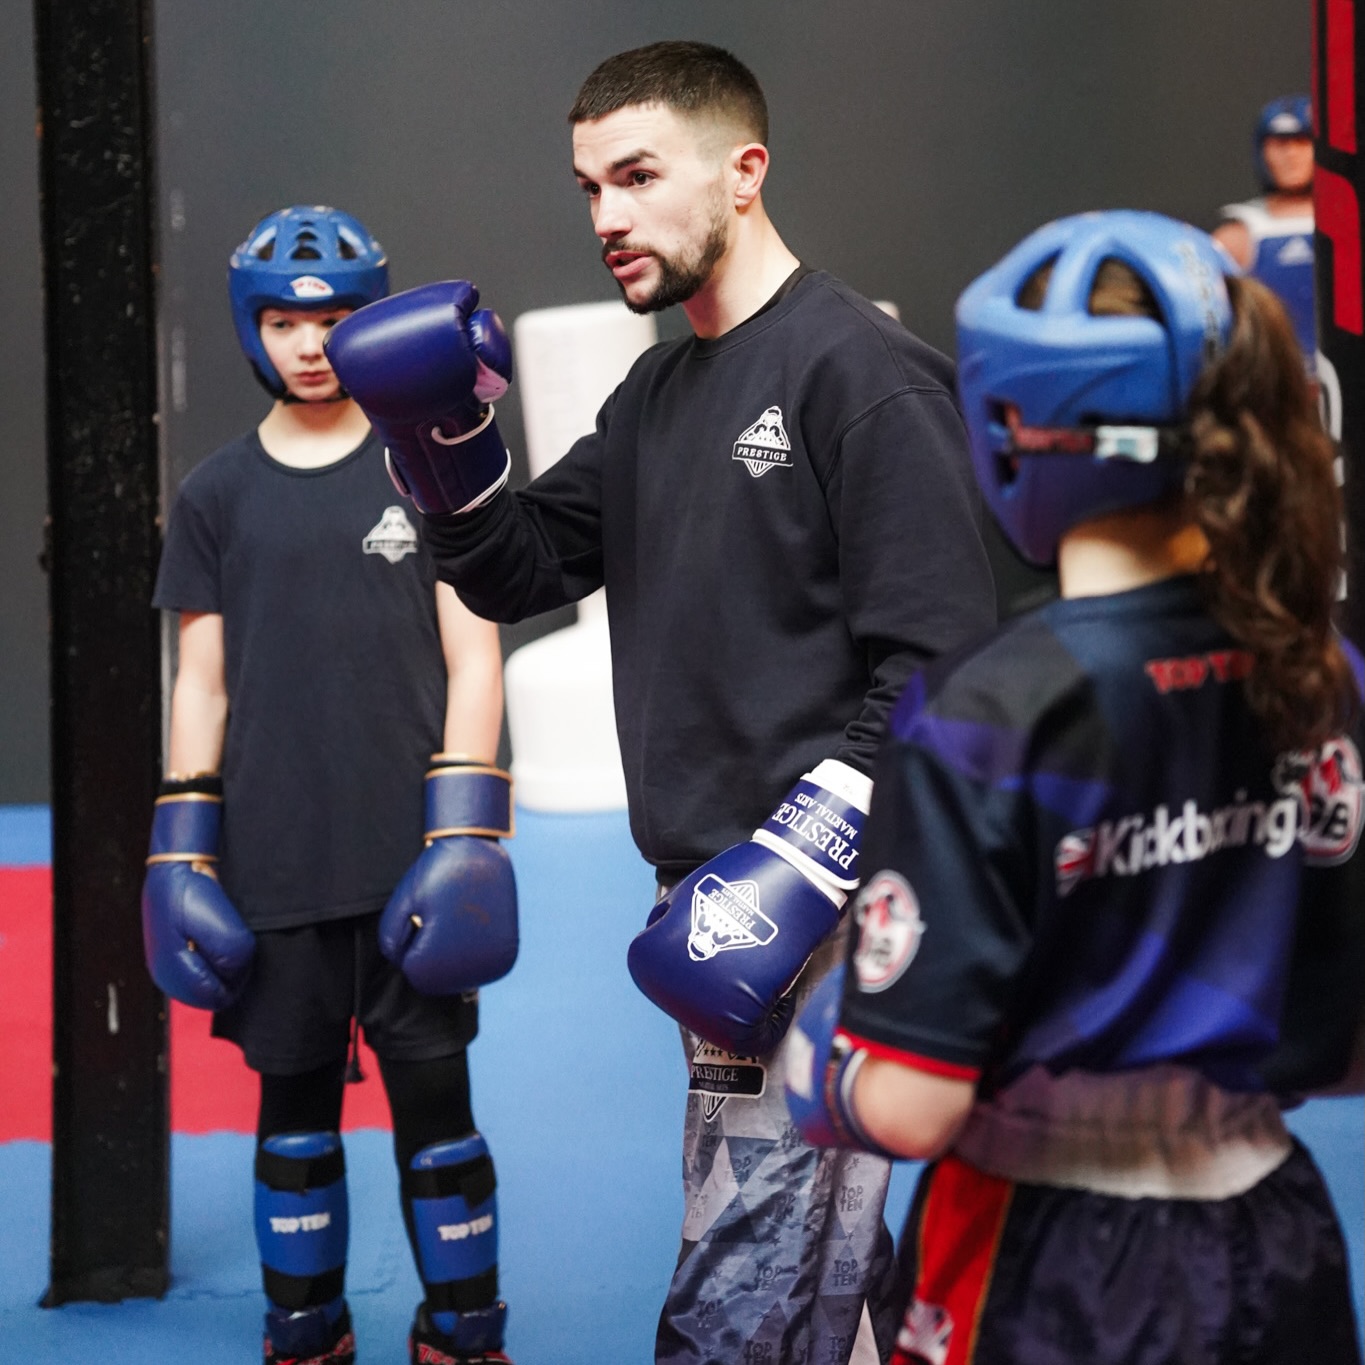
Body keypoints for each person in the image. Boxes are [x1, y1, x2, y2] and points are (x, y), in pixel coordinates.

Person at [324, 39, 996, 1365]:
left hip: (828, 913)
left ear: (744, 172)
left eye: (636, 177)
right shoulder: (657, 391)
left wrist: (796, 867)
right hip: (709, 903)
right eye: (587, 188)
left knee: (742, 1291)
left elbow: (941, 658)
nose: (606, 219)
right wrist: (439, 445)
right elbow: (518, 564)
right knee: (815, 1277)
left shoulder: (855, 373)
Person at [784, 210, 1365, 1364]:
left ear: (1016, 429)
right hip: (1279, 1228)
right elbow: (1345, 1047)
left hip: (1046, 1253)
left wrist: (819, 1047)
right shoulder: (1325, 671)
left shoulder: (988, 710)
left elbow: (910, 1107)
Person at [141, 204, 518, 1365]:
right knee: (293, 1121)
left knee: (439, 1123)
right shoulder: (213, 496)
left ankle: (464, 1331)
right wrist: (180, 848)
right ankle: (306, 1331)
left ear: (371, 324)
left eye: (337, 317)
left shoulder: (425, 468)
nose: (311, 341)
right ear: (252, 330)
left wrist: (468, 835)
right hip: (274, 861)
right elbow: (199, 682)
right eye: (286, 319)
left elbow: (476, 650)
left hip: (411, 859)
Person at [1213, 95, 1316, 364]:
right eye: (1280, 144)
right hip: (1269, 381)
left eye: (1302, 142)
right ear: (1263, 151)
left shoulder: (1348, 225)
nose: (1291, 154)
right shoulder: (1237, 237)